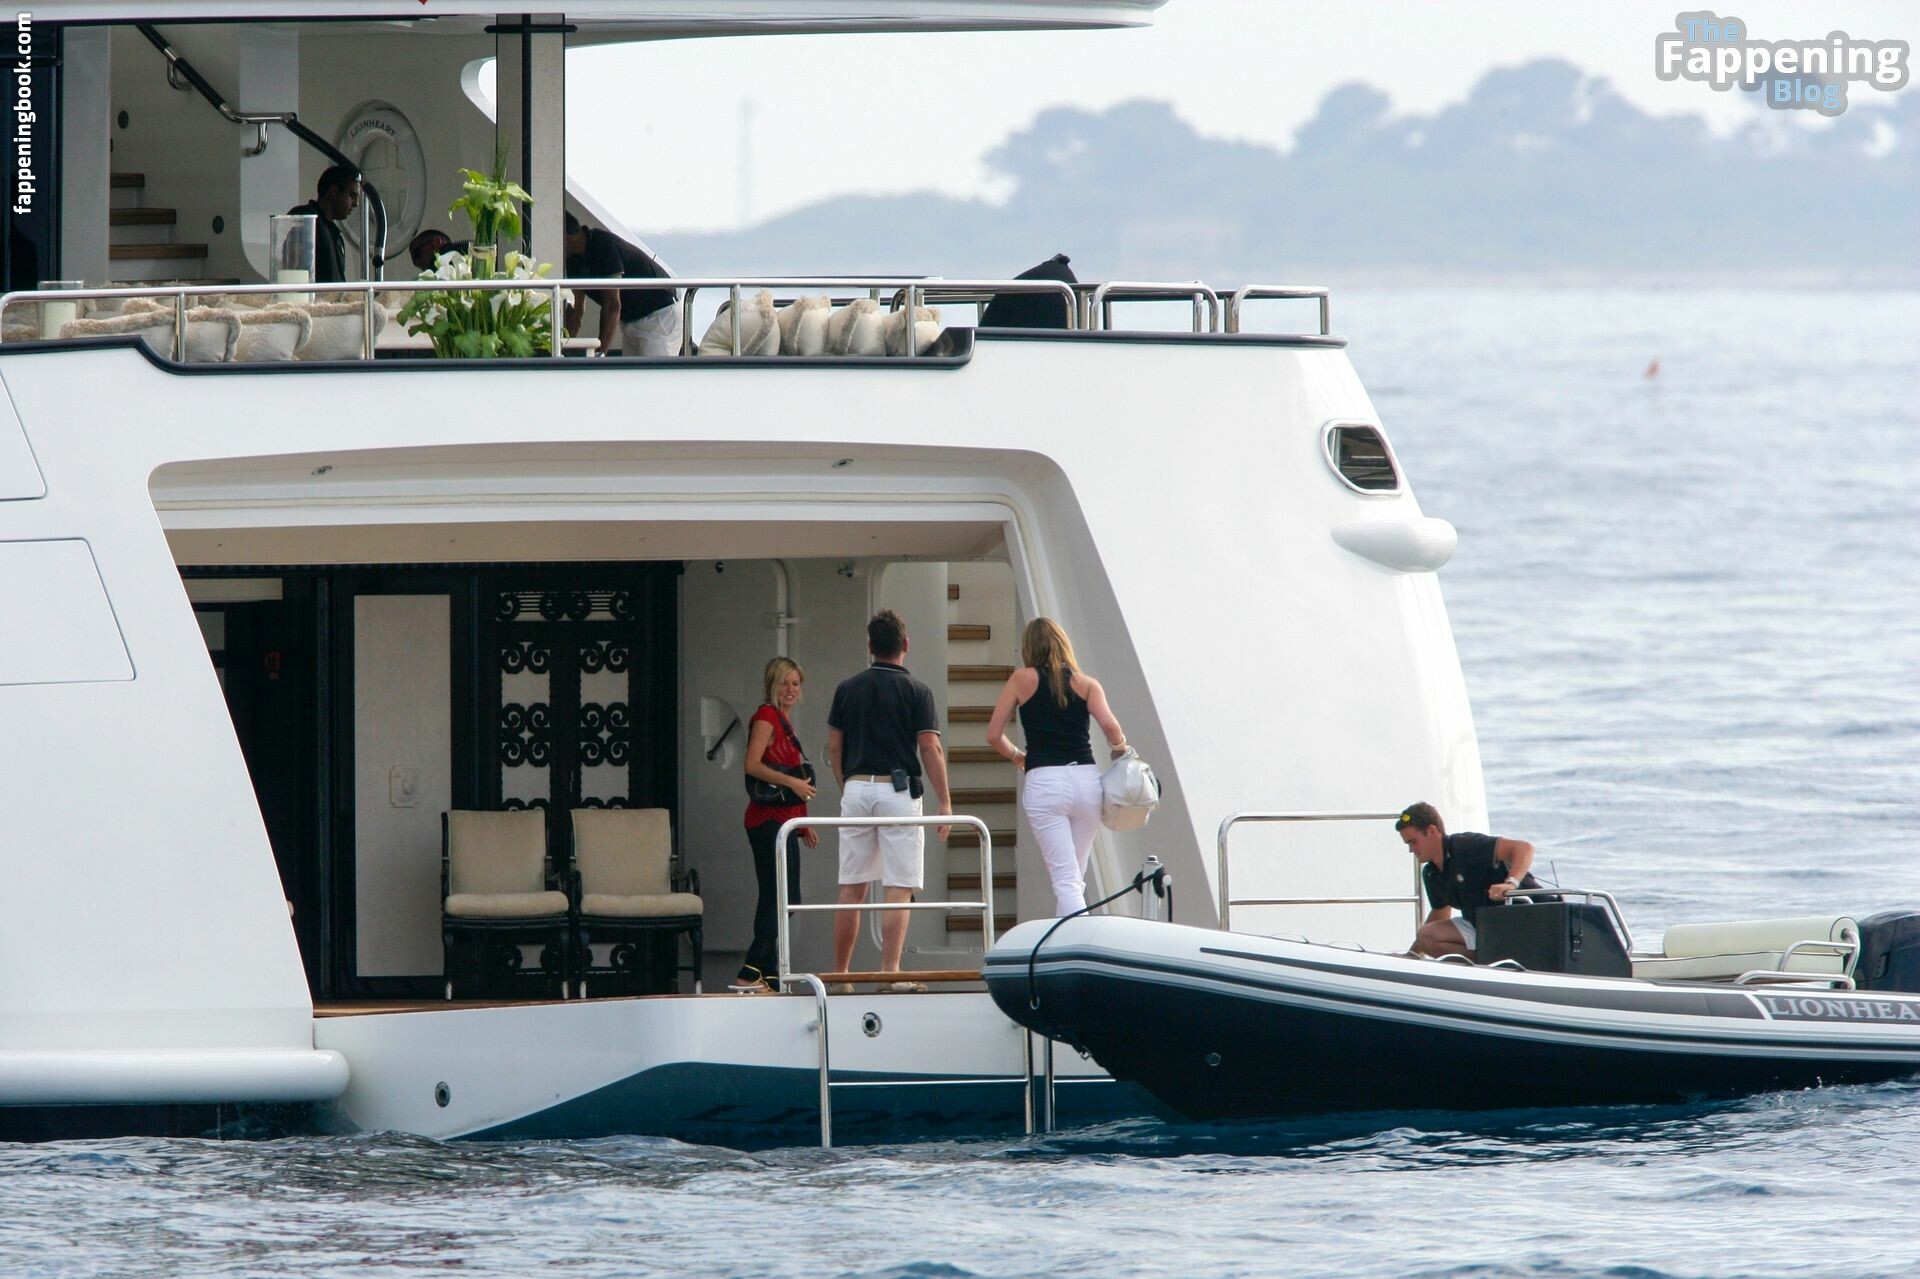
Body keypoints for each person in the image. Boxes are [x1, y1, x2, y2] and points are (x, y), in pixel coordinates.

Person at [825, 609, 952, 989]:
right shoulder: (917, 691)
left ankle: (841, 976)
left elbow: (835, 748)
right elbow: (929, 747)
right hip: (898, 792)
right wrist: (945, 801)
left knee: (852, 887)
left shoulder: (847, 689)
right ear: (905, 645)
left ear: (870, 646)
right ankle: (889, 972)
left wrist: (848, 786)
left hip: (856, 788)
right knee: (898, 885)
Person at [985, 617, 1129, 916]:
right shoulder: (1087, 684)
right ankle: (1072, 936)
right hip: (1086, 782)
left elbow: (994, 735)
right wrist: (1121, 750)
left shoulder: (1021, 680)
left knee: (1066, 880)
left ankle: (1078, 939)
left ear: (1029, 647)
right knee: (1074, 878)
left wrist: (1018, 756)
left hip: (1045, 781)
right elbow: (1111, 728)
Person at [733, 657, 820, 994]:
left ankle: (766, 975)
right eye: (784, 683)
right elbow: (752, 765)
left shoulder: (783, 722)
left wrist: (803, 822)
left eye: (795, 683)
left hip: (783, 822)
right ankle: (751, 970)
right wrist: (792, 782)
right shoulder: (767, 717)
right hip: (767, 821)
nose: (790, 690)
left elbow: (793, 781)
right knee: (782, 896)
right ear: (772, 684)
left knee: (778, 896)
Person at [1395, 802, 1539, 960]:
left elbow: (1524, 848)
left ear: (1432, 831)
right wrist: (1412, 955)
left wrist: (1510, 883)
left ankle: (1500, 960)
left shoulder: (1466, 845)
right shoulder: (1431, 873)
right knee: (1426, 936)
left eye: (1413, 842)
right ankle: (1490, 963)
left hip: (1529, 916)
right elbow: (1441, 913)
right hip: (1485, 925)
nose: (1411, 850)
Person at [561, 211, 682, 357]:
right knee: (630, 371)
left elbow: (612, 305)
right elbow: (576, 308)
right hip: (630, 319)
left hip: (659, 316)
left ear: (565, 239)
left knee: (654, 371)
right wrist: (562, 348)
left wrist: (600, 354)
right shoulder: (573, 259)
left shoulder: (603, 246)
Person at [286, 164, 362, 283]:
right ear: (334, 191)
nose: (356, 203)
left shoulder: (335, 235)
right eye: (352, 195)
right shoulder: (305, 218)